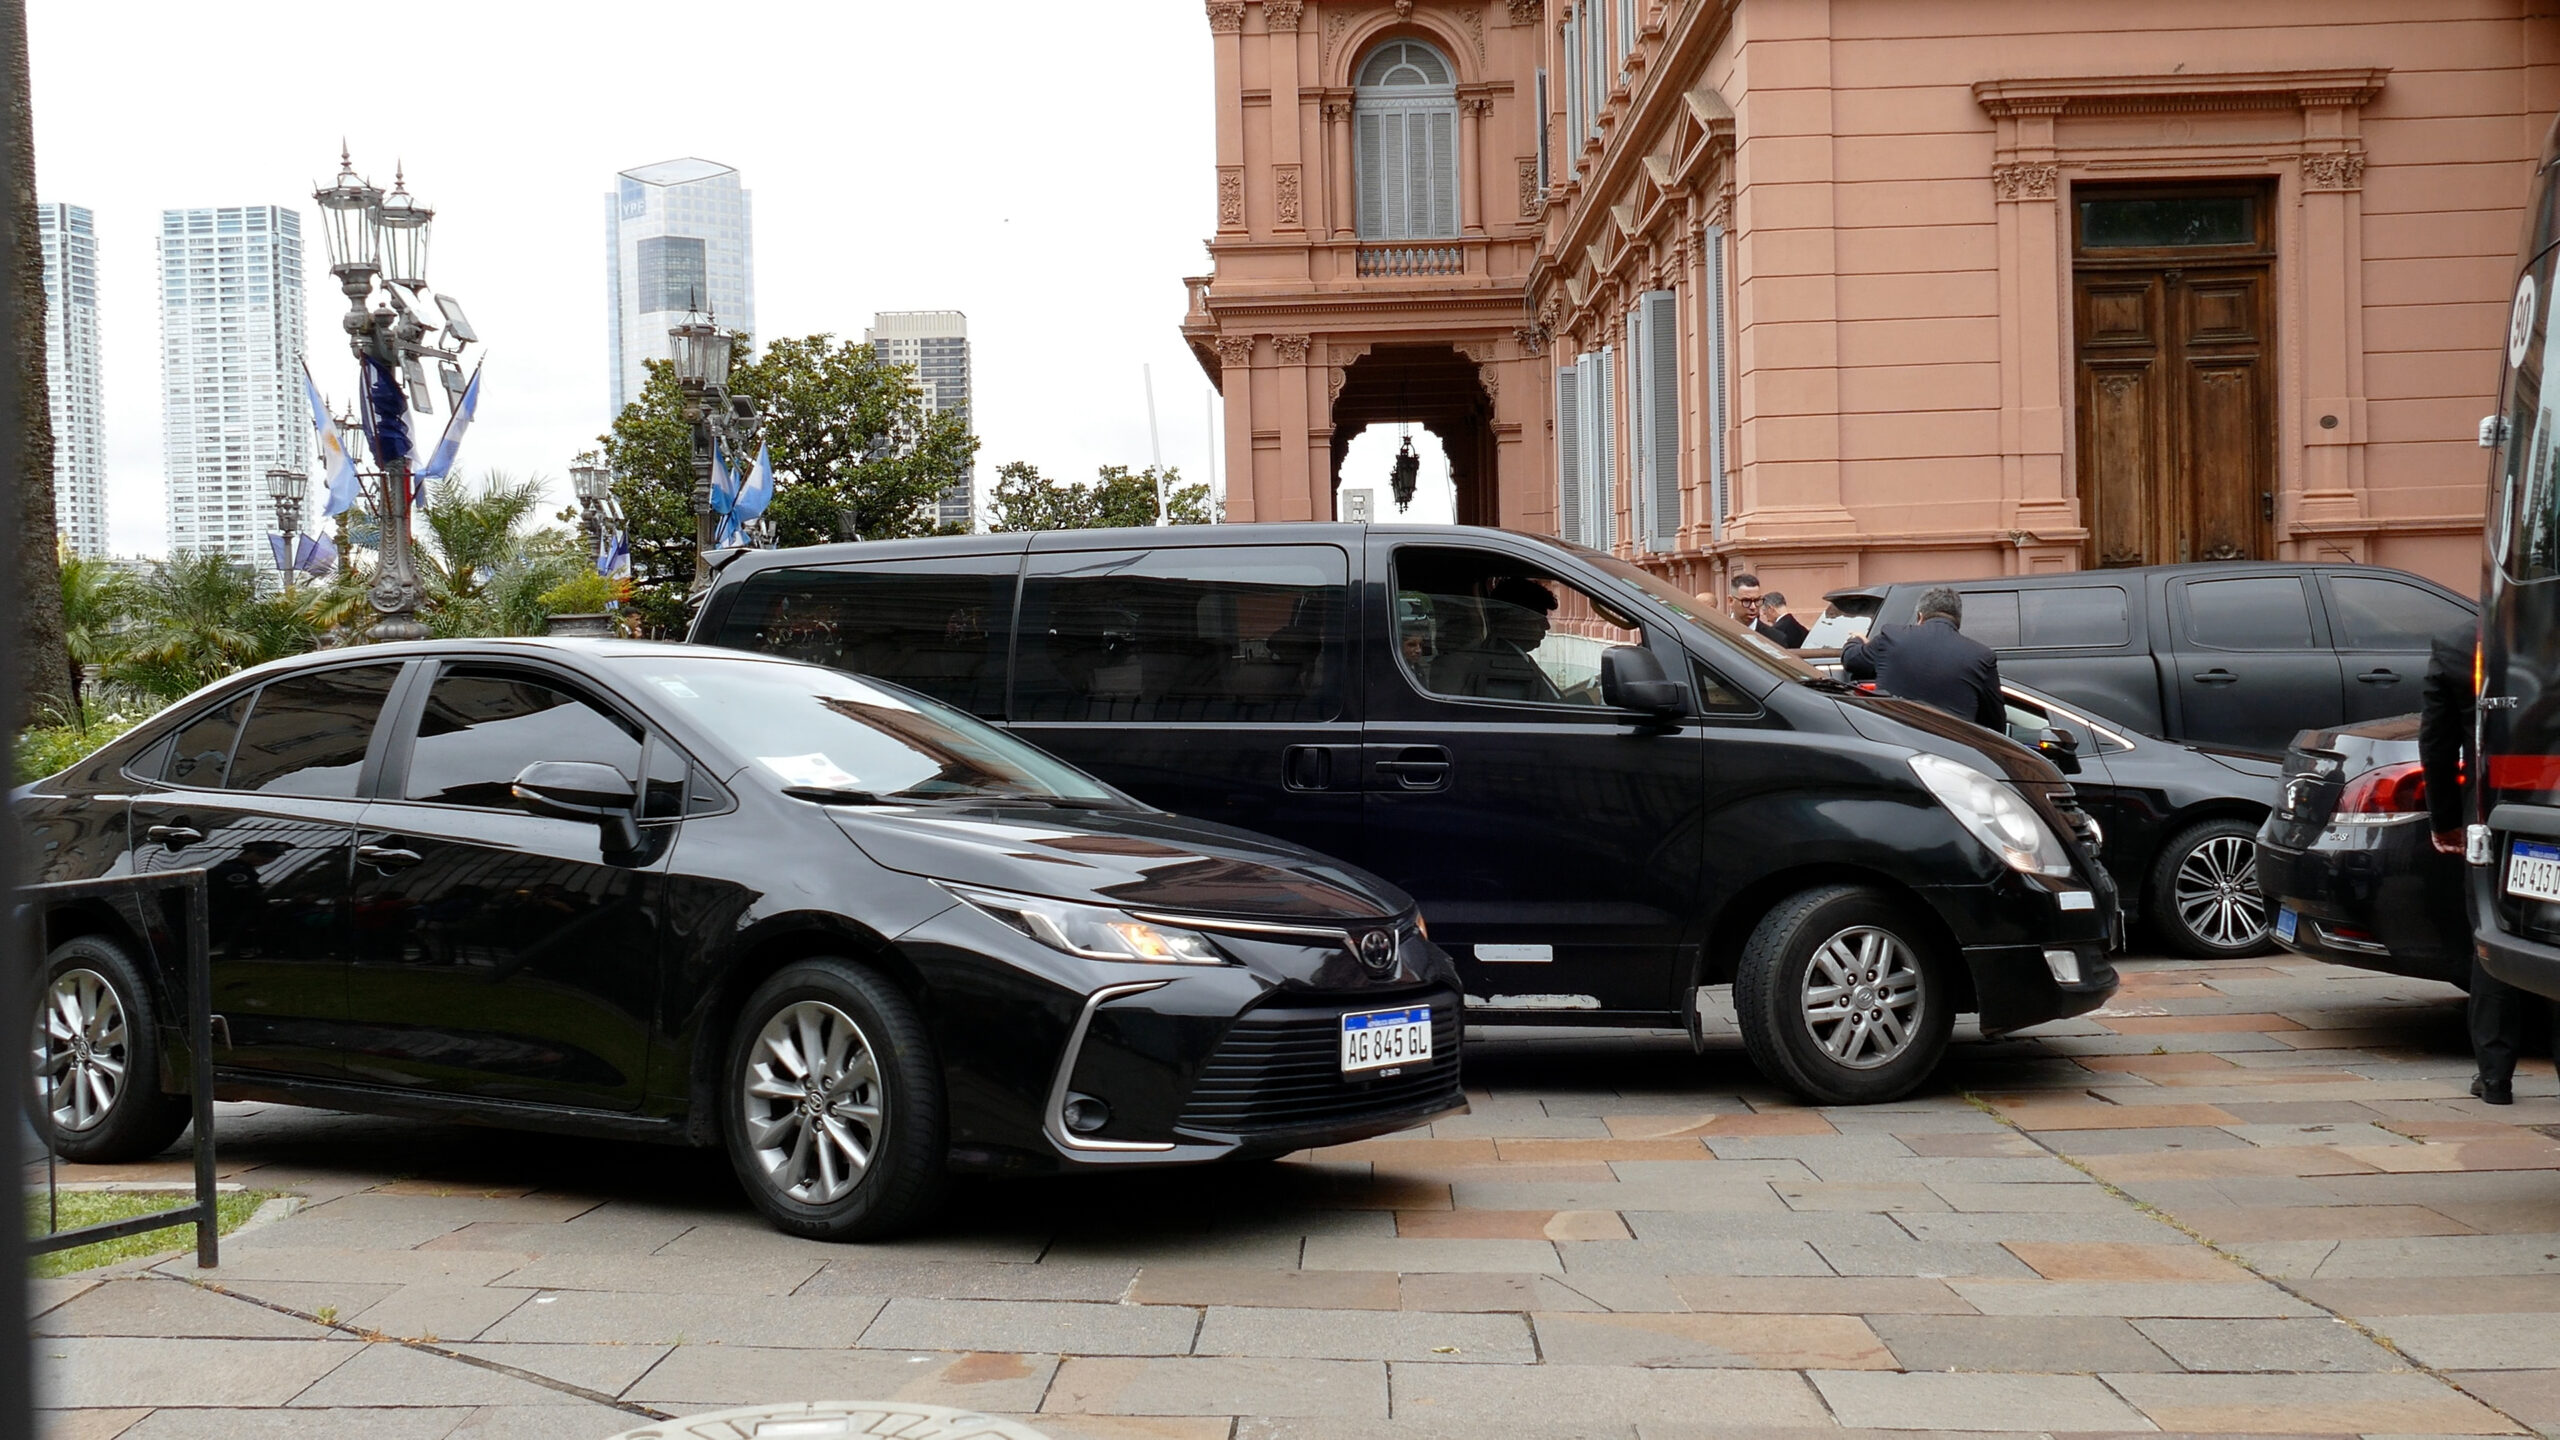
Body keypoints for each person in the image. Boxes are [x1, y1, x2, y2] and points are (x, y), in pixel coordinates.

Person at [2420, 618, 2555, 1105]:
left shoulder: (2460, 643)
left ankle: (2495, 1077)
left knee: (2493, 932)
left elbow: (2437, 744)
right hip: (2553, 803)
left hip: (2493, 810)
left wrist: (2443, 820)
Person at [1840, 586, 2003, 728]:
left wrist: (1856, 639)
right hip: (1953, 748)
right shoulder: (1981, 656)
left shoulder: (1892, 637)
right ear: (1958, 621)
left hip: (1893, 743)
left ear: (1920, 616)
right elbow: (1995, 723)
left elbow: (1852, 660)